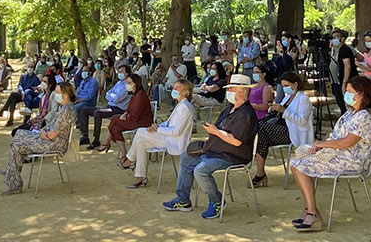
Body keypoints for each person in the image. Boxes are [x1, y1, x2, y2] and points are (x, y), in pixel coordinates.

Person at [287, 75, 371, 231]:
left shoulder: (366, 116)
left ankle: (312, 212)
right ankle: (310, 209)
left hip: (351, 159)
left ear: (361, 94)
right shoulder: (351, 112)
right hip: (338, 153)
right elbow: (335, 135)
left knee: (298, 166)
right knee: (298, 159)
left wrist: (323, 144)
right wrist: (320, 146)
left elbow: (347, 142)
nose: (347, 94)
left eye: (350, 91)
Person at [162, 74, 258, 219]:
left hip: (233, 156)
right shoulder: (230, 108)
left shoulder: (246, 114)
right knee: (186, 158)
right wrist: (212, 130)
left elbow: (237, 141)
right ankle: (183, 200)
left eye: (231, 88)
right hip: (215, 150)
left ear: (242, 91)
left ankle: (217, 201)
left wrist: (215, 131)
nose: (229, 91)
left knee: (201, 170)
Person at [1, 82, 77, 195]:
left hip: (54, 143)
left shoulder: (67, 110)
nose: (56, 95)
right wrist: (43, 131)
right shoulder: (64, 107)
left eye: (57, 93)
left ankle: (13, 176)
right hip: (49, 139)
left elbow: (53, 134)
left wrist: (43, 134)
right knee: (19, 134)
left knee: (16, 145)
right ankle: (12, 173)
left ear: (65, 94)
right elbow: (51, 127)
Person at [122, 78, 195, 188]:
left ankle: (130, 159)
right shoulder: (181, 104)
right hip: (169, 137)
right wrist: (157, 127)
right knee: (141, 142)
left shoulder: (184, 107)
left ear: (185, 92)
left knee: (140, 131)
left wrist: (158, 129)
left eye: (177, 88)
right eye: (173, 88)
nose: (174, 90)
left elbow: (176, 131)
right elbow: (169, 123)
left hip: (175, 141)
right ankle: (140, 176)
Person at [252, 71, 313, 186]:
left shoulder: (303, 99)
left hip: (293, 132)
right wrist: (274, 109)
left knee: (261, 127)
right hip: (280, 128)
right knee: (261, 137)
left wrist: (284, 111)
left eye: (286, 86)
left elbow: (302, 121)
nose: (284, 89)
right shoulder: (288, 97)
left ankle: (259, 173)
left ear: (295, 85)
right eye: (283, 86)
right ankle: (260, 173)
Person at [83, 65, 132, 149]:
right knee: (85, 109)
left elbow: (117, 98)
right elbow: (107, 93)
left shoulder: (127, 85)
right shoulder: (118, 83)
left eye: (121, 72)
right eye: (119, 71)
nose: (119, 73)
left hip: (118, 109)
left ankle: (96, 140)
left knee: (97, 113)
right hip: (110, 106)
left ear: (127, 73)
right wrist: (112, 97)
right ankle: (85, 136)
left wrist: (112, 97)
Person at [105, 72, 154, 156]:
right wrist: (125, 114)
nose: (127, 85)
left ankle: (105, 143)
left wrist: (126, 116)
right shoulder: (134, 95)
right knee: (115, 128)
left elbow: (135, 114)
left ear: (136, 84)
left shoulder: (140, 95)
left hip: (141, 122)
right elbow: (129, 109)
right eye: (127, 83)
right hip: (133, 119)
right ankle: (124, 154)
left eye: (130, 83)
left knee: (115, 119)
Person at [330, 29, 357, 116]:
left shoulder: (344, 49)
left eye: (336, 37)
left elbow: (347, 66)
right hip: (340, 79)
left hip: (349, 80)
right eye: (333, 37)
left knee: (348, 103)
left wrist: (345, 82)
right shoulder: (338, 49)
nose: (334, 39)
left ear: (342, 38)